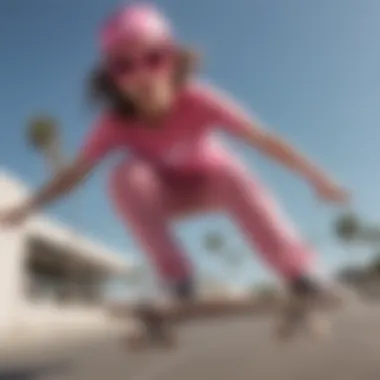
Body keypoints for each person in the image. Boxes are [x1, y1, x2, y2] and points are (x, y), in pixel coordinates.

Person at [0, 3, 348, 347]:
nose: (142, 76)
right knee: (124, 175)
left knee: (233, 172)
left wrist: (317, 177)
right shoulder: (113, 124)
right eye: (125, 66)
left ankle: (297, 273)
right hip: (166, 196)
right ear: (111, 78)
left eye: (154, 58)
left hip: (217, 187)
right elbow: (74, 173)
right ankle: (177, 280)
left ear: (174, 61)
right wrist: (28, 207)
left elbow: (265, 140)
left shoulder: (201, 100)